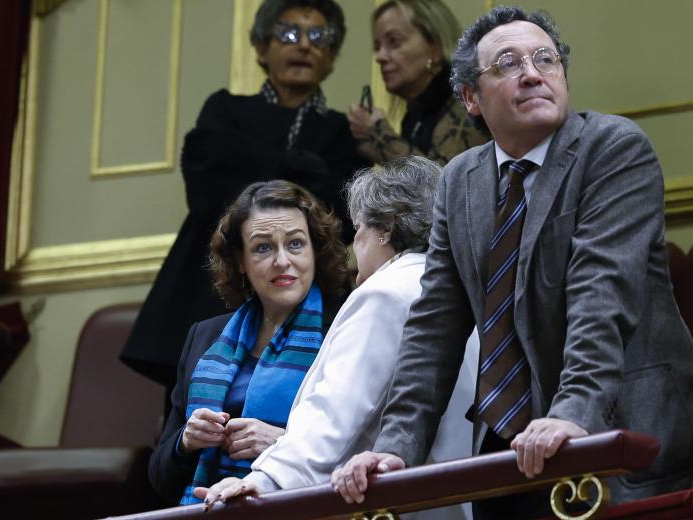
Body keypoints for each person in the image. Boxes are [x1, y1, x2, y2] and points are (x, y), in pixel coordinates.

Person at [332, 6, 693, 519]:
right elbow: (433, 327)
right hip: (503, 452)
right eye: (507, 63)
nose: (531, 73)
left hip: (618, 441)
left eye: (545, 59)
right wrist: (396, 447)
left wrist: (572, 415)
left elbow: (602, 294)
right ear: (471, 98)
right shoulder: (459, 180)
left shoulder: (612, 148)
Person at [193, 157, 478, 520]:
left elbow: (335, 409)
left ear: (386, 229)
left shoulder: (387, 292)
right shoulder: (452, 286)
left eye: (358, 229)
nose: (355, 243)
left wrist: (266, 480)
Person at [121, 0, 369, 390]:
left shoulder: (341, 131)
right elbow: (208, 196)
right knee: (192, 425)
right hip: (207, 294)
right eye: (289, 34)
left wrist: (251, 161)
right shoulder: (225, 109)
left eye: (318, 37)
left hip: (302, 305)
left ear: (333, 56)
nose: (304, 45)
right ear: (260, 47)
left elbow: (338, 213)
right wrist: (298, 166)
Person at [147, 180, 348, 506]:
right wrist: (185, 441)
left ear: (316, 250)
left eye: (296, 244)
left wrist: (282, 443)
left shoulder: (343, 331)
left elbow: (369, 452)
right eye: (263, 248)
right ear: (240, 260)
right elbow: (159, 477)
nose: (282, 261)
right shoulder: (204, 337)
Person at [347, 0, 489, 165]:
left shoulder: (466, 102)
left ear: (435, 48)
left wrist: (379, 136)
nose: (380, 57)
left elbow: (444, 185)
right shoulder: (417, 114)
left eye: (394, 42)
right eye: (377, 47)